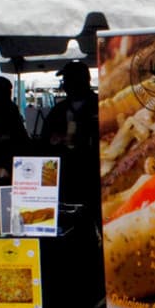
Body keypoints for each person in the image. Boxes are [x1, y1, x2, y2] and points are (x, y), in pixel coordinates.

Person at [37, 61, 99, 208]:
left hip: (93, 182)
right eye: (65, 81)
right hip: (64, 183)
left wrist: (80, 139)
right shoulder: (58, 110)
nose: (65, 85)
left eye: (68, 80)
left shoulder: (101, 105)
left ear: (83, 81)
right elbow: (43, 146)